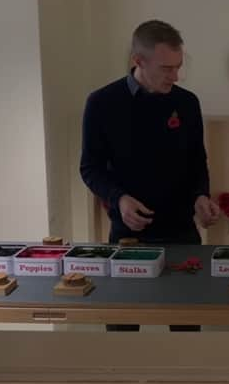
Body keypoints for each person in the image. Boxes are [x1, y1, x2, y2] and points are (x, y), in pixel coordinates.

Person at [80, 19, 219, 331]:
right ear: (137, 61)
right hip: (129, 236)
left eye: (178, 66)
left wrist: (201, 195)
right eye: (166, 68)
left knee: (185, 329)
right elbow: (90, 168)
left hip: (182, 233)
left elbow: (197, 160)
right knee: (123, 330)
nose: (175, 75)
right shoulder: (102, 103)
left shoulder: (187, 103)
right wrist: (119, 199)